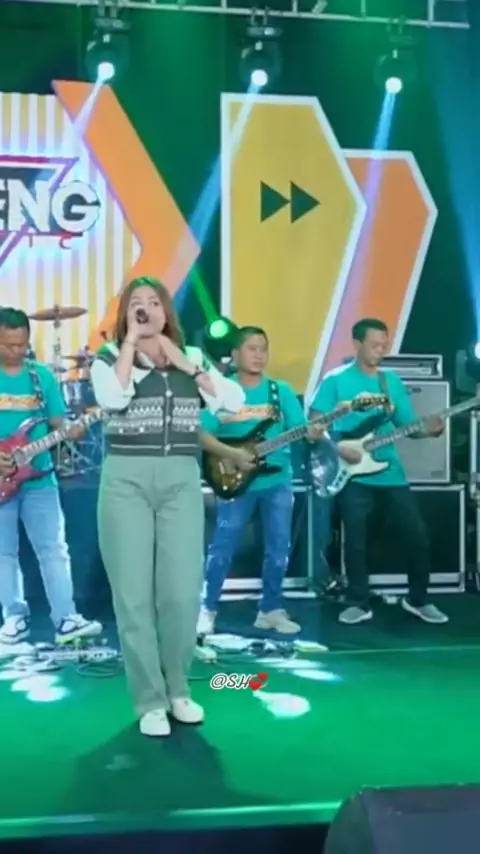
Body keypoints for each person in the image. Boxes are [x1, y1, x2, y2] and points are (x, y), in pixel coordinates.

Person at [90, 276, 250, 738]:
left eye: (154, 302)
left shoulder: (192, 356)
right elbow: (112, 398)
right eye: (136, 304)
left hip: (180, 477)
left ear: (166, 311)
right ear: (126, 314)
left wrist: (186, 365)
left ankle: (179, 688)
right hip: (125, 480)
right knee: (133, 596)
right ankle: (150, 700)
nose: (146, 309)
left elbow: (231, 403)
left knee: (181, 592)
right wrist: (130, 345)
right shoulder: (108, 358)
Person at [309, 318, 448, 625]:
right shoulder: (335, 380)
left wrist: (430, 430)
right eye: (374, 344)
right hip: (352, 473)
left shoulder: (391, 382)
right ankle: (358, 601)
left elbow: (407, 426)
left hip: (391, 473)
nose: (380, 350)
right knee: (355, 540)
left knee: (416, 534)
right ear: (357, 344)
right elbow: (315, 425)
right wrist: (338, 447)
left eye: (384, 345)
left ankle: (418, 599)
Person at [198, 326, 324, 637]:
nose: (259, 355)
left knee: (278, 548)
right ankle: (207, 608)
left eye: (263, 349)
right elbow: (201, 434)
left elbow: (302, 431)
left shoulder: (280, 392)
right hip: (234, 481)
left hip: (277, 481)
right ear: (236, 354)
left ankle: (269, 610)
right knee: (222, 547)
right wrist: (233, 455)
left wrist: (313, 433)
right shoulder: (221, 391)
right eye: (251, 349)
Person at [0, 307, 102, 645]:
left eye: (21, 344)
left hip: (40, 477)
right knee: (4, 553)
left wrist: (72, 429)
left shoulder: (40, 376)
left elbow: (58, 421)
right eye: (8, 344)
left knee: (54, 549)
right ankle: (14, 616)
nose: (16, 350)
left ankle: (66, 618)